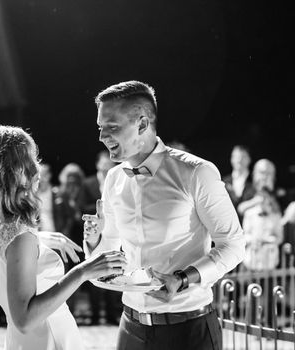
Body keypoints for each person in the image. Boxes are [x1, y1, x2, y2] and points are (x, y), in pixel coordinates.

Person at [83, 81, 245, 350]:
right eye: (100, 128)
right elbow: (108, 254)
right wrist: (95, 240)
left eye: (112, 127)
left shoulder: (196, 173)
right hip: (131, 326)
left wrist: (182, 279)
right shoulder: (113, 179)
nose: (101, 137)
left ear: (143, 124)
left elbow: (234, 245)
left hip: (188, 329)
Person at [0, 125, 126, 350]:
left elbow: (6, 253)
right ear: (14, 170)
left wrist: (40, 239)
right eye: (31, 158)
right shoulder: (19, 238)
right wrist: (82, 272)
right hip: (48, 339)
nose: (37, 166)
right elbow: (26, 319)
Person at [79, 151, 120, 325]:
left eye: (108, 166)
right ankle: (95, 316)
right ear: (97, 165)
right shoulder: (88, 183)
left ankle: (111, 315)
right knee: (94, 276)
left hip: (115, 233)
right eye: (102, 166)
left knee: (113, 275)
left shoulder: (118, 181)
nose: (105, 169)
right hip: (94, 230)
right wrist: (100, 211)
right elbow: (82, 205)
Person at [223, 146, 254, 221]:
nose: (239, 160)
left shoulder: (254, 181)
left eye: (243, 157)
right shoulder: (223, 182)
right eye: (236, 157)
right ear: (231, 159)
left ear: (249, 159)